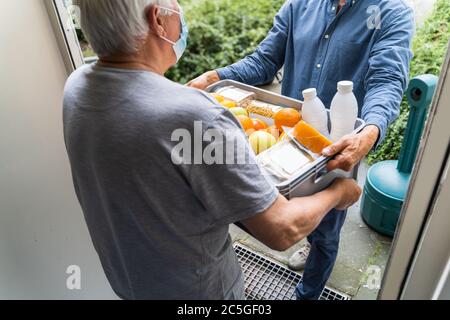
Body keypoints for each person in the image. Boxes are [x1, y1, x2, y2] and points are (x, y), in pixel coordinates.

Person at [64, 0, 361, 300]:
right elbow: (281, 229)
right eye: (177, 8)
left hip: (130, 282)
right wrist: (339, 192)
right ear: (157, 19)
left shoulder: (75, 87)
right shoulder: (194, 116)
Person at [188, 0, 414, 300]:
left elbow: (386, 81)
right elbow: (264, 61)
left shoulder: (391, 12)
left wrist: (369, 132)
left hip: (339, 145)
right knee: (292, 203)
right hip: (291, 138)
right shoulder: (299, 6)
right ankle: (309, 239)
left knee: (327, 227)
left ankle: (307, 293)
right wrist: (212, 78)